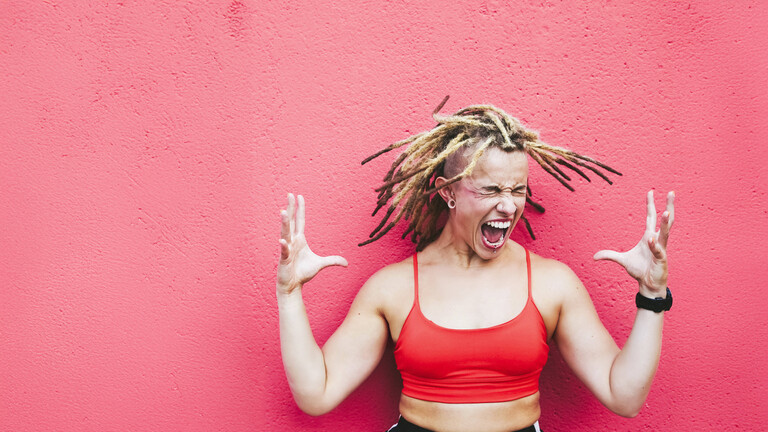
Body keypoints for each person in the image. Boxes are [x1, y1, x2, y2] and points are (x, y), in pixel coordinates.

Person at [276, 101, 675, 432]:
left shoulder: (553, 284)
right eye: (491, 189)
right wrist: (289, 295)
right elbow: (317, 393)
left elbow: (624, 396)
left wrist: (652, 295)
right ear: (448, 191)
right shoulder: (392, 288)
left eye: (517, 189)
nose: (508, 205)